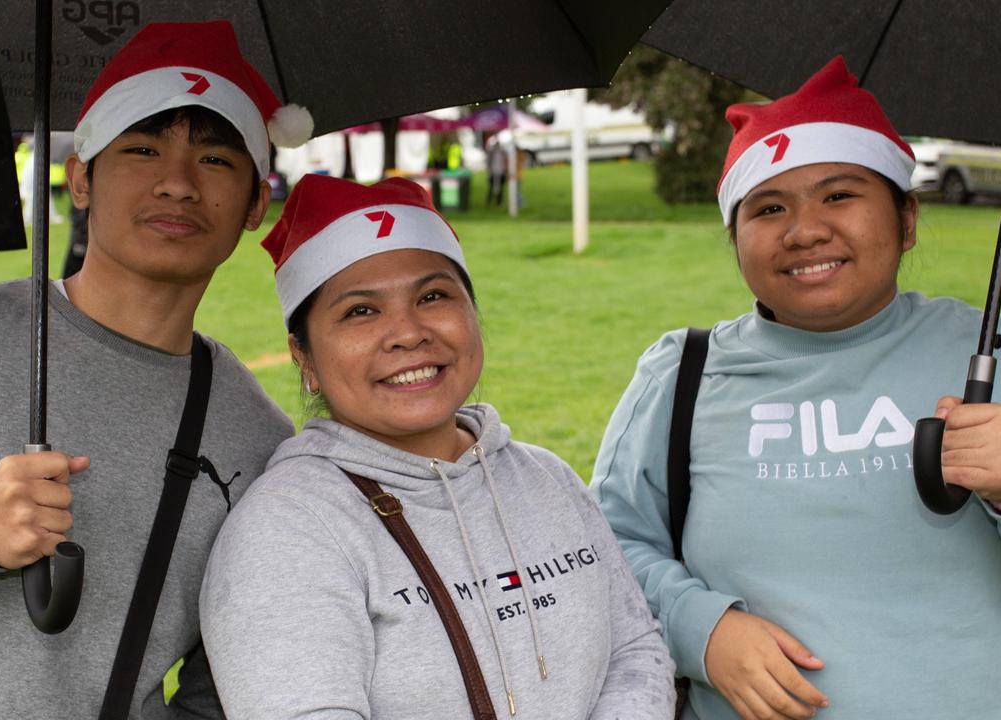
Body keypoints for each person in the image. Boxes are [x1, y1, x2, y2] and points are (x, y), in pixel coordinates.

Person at [0, 20, 312, 718]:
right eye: (142, 148)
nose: (176, 183)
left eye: (216, 160)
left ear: (258, 204)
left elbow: (233, 676)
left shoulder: (257, 440)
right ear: (80, 177)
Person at [592, 57, 1001, 720]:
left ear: (907, 219)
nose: (804, 230)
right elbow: (602, 555)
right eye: (768, 207)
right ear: (735, 239)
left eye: (839, 195)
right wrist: (701, 630)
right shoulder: (679, 376)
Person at [201, 174, 676, 719]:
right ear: (304, 358)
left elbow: (635, 651)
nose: (407, 332)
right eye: (361, 310)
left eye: (433, 296)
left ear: (473, 315)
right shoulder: (287, 529)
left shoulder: (549, 480)